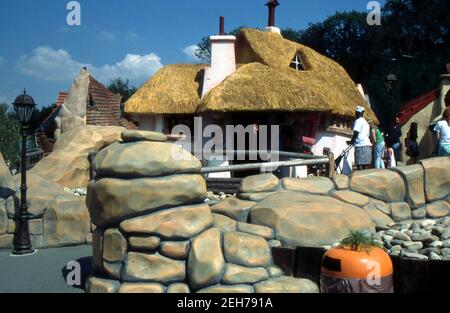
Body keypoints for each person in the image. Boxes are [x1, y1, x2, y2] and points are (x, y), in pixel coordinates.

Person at [348, 106, 372, 170]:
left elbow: (356, 132)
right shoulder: (366, 123)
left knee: (360, 166)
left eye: (358, 113)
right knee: (365, 166)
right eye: (356, 112)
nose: (356, 114)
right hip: (367, 145)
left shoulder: (358, 121)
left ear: (362, 113)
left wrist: (351, 141)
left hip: (360, 146)